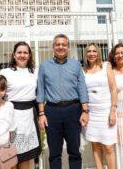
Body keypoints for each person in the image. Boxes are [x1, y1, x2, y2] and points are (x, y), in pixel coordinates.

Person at [37, 34, 89, 169]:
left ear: (68, 47)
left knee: (74, 150)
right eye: (58, 44)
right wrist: (41, 114)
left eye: (64, 44)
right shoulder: (44, 66)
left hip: (73, 110)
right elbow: (41, 91)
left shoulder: (76, 64)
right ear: (53, 47)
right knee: (54, 152)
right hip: (51, 112)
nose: (61, 47)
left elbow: (82, 88)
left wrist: (85, 111)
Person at [0, 41, 41, 169]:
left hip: (29, 116)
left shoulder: (35, 71)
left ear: (29, 55)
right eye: (19, 52)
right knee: (11, 157)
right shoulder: (5, 72)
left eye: (25, 53)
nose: (22, 55)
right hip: (11, 115)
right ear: (14, 55)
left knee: (26, 158)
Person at [82, 43, 117, 169]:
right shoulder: (83, 70)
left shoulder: (106, 66)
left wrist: (113, 110)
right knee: (95, 145)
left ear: (98, 53)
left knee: (108, 146)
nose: (91, 54)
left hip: (105, 111)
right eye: (89, 51)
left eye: (94, 51)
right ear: (85, 54)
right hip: (91, 112)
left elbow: (113, 89)